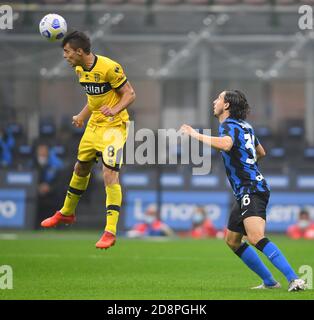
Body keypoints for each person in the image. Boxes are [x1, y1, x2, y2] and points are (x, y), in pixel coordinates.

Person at [180, 90, 306, 291]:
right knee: (232, 241)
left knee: (255, 237)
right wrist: (248, 164)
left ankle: (294, 279)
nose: (215, 101)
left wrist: (195, 134)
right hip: (247, 188)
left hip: (251, 189)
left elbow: (227, 145)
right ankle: (270, 282)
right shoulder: (245, 126)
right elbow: (261, 152)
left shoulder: (228, 126)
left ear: (227, 105)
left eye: (219, 98)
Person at [41, 31, 136, 250]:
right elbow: (94, 99)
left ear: (79, 51)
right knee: (81, 167)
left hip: (114, 126)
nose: (65, 56)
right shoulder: (79, 69)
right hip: (94, 125)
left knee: (109, 172)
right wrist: (82, 116)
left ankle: (110, 230)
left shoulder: (109, 67)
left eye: (67, 51)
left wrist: (114, 110)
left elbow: (130, 94)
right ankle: (66, 212)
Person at [34, 144, 64, 227]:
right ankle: (36, 225)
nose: (42, 152)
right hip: (36, 192)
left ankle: (57, 225)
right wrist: (37, 187)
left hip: (52, 193)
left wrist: (49, 188)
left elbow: (59, 181)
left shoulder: (56, 165)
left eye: (44, 150)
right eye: (40, 150)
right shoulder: (32, 163)